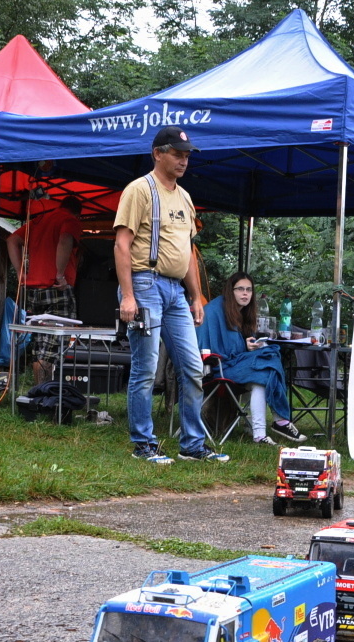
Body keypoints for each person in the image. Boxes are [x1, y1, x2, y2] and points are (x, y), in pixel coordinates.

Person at [114, 126, 227, 464]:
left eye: (187, 155)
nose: (184, 160)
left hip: (176, 291)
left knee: (192, 368)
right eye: (177, 154)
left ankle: (192, 446)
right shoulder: (139, 190)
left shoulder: (185, 197)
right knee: (146, 368)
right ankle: (143, 445)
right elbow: (121, 244)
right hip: (144, 284)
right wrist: (128, 296)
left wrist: (196, 296)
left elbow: (187, 250)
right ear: (157, 154)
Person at [196, 273, 306, 445]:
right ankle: (281, 421)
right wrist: (244, 347)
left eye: (249, 290)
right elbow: (210, 348)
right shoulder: (215, 310)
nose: (245, 293)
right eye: (240, 289)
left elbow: (235, 345)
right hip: (216, 367)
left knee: (263, 374)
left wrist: (247, 345)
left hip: (236, 364)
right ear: (230, 291)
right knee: (271, 357)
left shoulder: (241, 312)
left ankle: (260, 435)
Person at [5, 195, 84, 377]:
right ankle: (44, 391)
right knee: (52, 347)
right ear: (78, 214)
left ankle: (40, 390)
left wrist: (20, 272)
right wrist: (60, 274)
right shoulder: (70, 220)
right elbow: (65, 240)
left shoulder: (39, 220)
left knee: (40, 346)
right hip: (57, 289)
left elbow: (12, 240)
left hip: (34, 291)